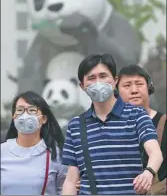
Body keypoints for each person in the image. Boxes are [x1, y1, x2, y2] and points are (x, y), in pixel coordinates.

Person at [62, 53, 163, 195]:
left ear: (115, 80)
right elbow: (71, 180)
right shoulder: (75, 126)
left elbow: (156, 153)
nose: (98, 82)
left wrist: (148, 173)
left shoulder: (137, 115)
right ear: (82, 85)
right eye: (91, 78)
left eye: (103, 76)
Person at [1, 91, 67, 195]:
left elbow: (64, 190)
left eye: (32, 110)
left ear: (44, 119)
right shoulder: (2, 151)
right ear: (13, 117)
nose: (25, 115)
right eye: (20, 110)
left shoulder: (56, 154)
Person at [116, 64, 167, 194]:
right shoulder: (110, 125)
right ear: (116, 91)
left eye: (139, 84)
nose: (134, 90)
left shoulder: (164, 123)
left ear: (149, 87)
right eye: (127, 85)